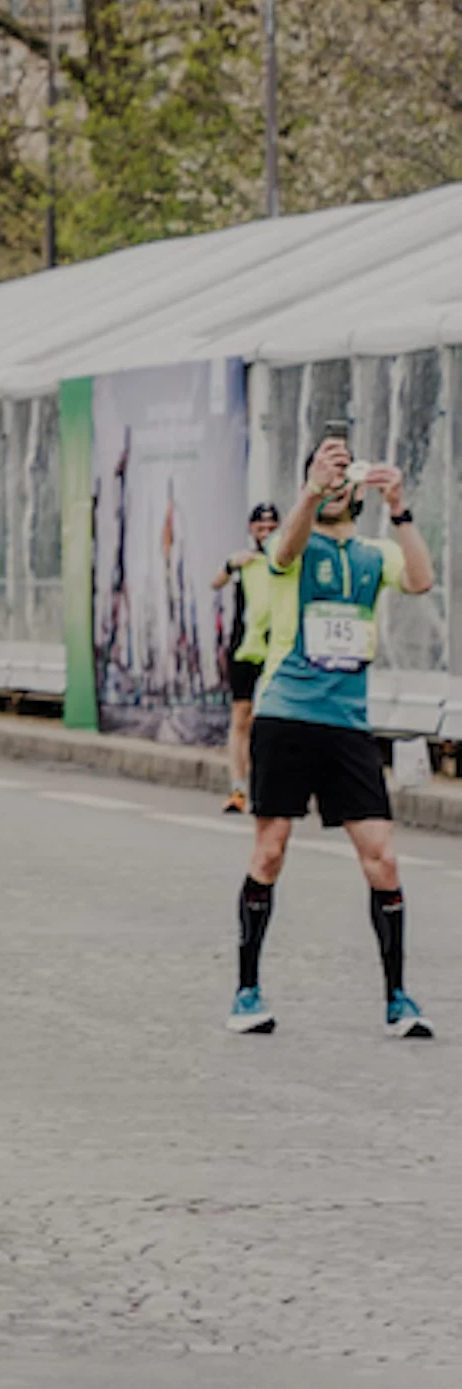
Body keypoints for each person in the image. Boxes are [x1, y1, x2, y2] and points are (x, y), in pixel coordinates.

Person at [231, 438, 437, 1037]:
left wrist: (400, 507)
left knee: (384, 860)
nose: (335, 487)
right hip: (285, 715)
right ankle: (247, 990)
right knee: (270, 853)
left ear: (358, 491)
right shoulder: (292, 544)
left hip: (347, 725)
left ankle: (398, 998)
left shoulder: (374, 553)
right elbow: (282, 549)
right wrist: (311, 487)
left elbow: (421, 580)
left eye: (345, 479)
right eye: (326, 478)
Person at [213, 501, 285, 815]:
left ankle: (266, 784)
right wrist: (231, 565)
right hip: (245, 646)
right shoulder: (244, 561)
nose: (266, 533)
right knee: (241, 716)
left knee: (268, 719)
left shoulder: (285, 560)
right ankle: (238, 785)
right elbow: (215, 581)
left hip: (278, 647)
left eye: (272, 528)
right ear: (251, 529)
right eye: (261, 528)